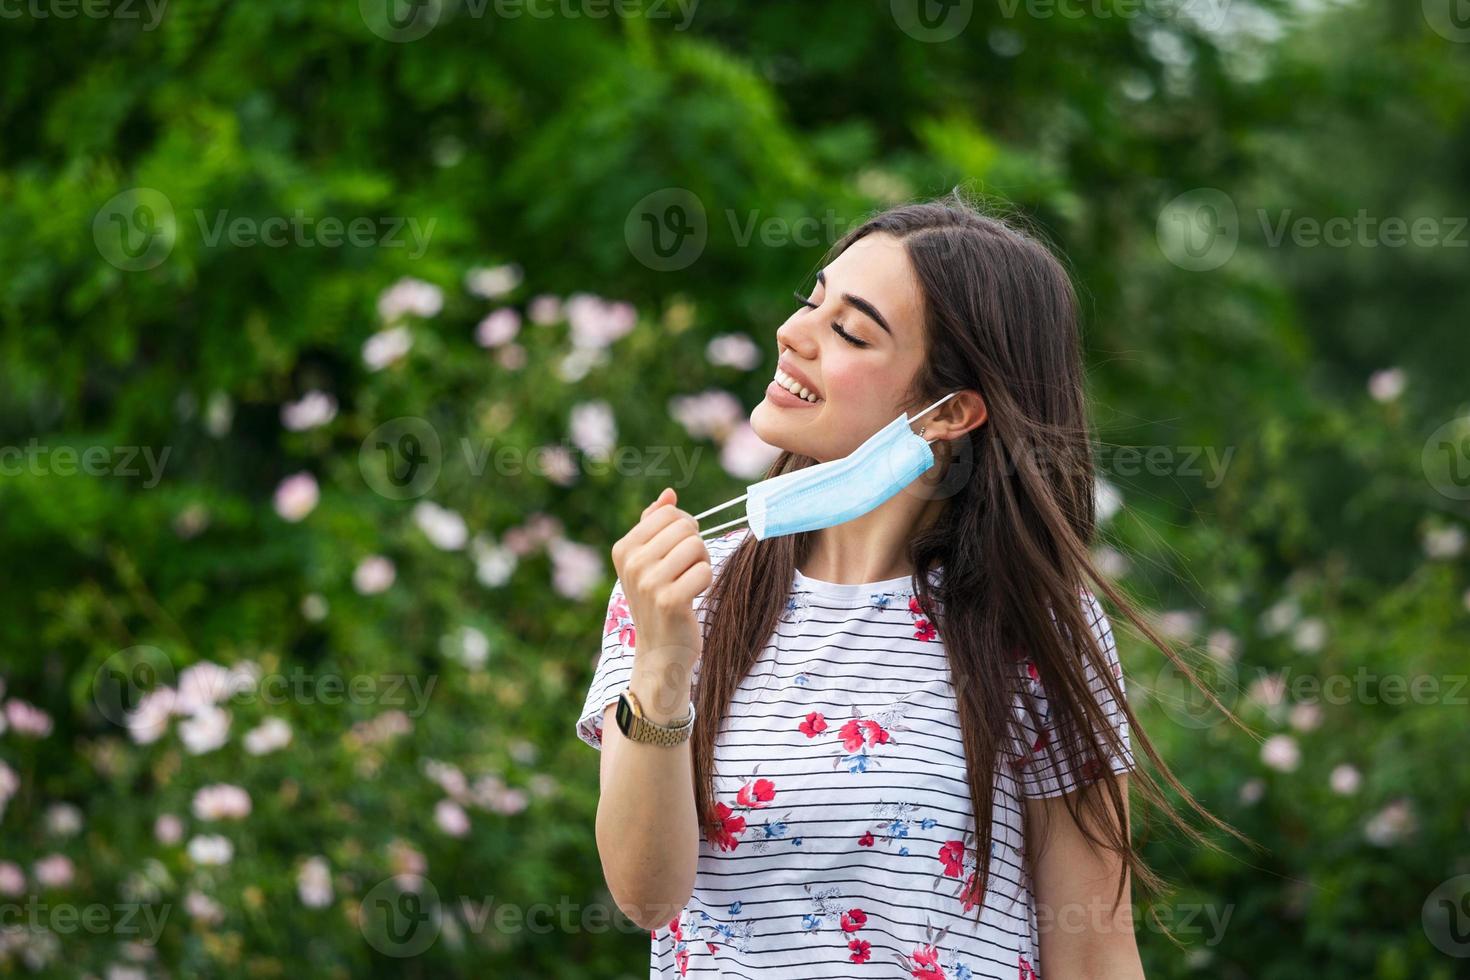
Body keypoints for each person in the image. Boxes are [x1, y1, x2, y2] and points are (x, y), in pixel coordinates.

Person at [575, 190, 1252, 979]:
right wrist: (661, 667)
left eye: (849, 331)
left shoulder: (1035, 627)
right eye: (811, 302)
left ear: (950, 412)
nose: (793, 335)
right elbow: (645, 897)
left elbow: (1094, 949)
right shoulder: (676, 596)